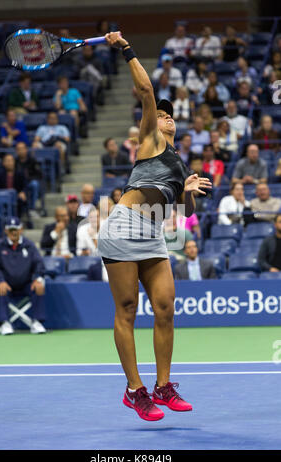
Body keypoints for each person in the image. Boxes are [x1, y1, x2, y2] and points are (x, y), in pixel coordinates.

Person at [98, 31, 212, 421]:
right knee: (127, 309)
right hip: (124, 227)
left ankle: (163, 386)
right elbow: (146, 89)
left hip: (153, 235)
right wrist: (127, 49)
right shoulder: (149, 139)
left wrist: (190, 189)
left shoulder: (179, 163)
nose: (165, 116)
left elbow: (184, 211)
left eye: (169, 115)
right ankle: (135, 390)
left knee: (165, 306)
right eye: (161, 114)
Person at [0, 216, 46, 335]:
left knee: (39, 287)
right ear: (6, 231)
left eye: (16, 229)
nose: (13, 232)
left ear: (21, 230)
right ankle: (5, 323)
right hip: (7, 284)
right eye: (11, 230)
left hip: (26, 284)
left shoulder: (29, 245)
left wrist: (36, 278)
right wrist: (1, 280)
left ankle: (36, 322)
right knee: (1, 289)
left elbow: (39, 263)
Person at [0, 154, 29, 219]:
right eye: (7, 161)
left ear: (14, 162)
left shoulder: (20, 173)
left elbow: (25, 185)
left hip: (16, 197)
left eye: (11, 160)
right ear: (3, 163)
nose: (9, 163)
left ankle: (17, 220)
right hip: (3, 197)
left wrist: (23, 192)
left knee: (21, 200)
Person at [15, 142, 42, 215]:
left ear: (26, 150)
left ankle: (32, 208)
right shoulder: (14, 162)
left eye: (22, 149)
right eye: (19, 149)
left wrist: (28, 179)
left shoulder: (32, 160)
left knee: (35, 184)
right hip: (19, 185)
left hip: (29, 182)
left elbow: (39, 175)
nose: (21, 151)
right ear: (16, 151)